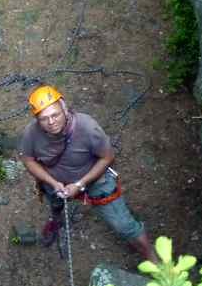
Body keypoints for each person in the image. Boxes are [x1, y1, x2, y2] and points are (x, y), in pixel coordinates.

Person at [18, 85, 157, 262]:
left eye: (55, 115)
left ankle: (152, 258)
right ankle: (57, 220)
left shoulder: (87, 128)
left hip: (94, 181)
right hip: (56, 183)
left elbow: (107, 158)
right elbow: (28, 159)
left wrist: (80, 184)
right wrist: (52, 182)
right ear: (37, 119)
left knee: (123, 226)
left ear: (64, 108)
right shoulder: (32, 132)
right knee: (55, 202)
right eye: (44, 119)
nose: (51, 122)